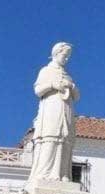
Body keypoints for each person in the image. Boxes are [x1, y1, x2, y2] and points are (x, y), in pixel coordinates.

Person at [27, 42, 80, 186]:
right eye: (65, 55)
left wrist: (72, 86)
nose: (67, 59)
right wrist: (52, 85)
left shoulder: (68, 76)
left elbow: (77, 96)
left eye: (68, 56)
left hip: (66, 109)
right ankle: (45, 174)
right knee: (51, 138)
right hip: (51, 108)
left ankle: (62, 174)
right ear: (56, 54)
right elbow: (37, 90)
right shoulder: (46, 71)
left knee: (64, 139)